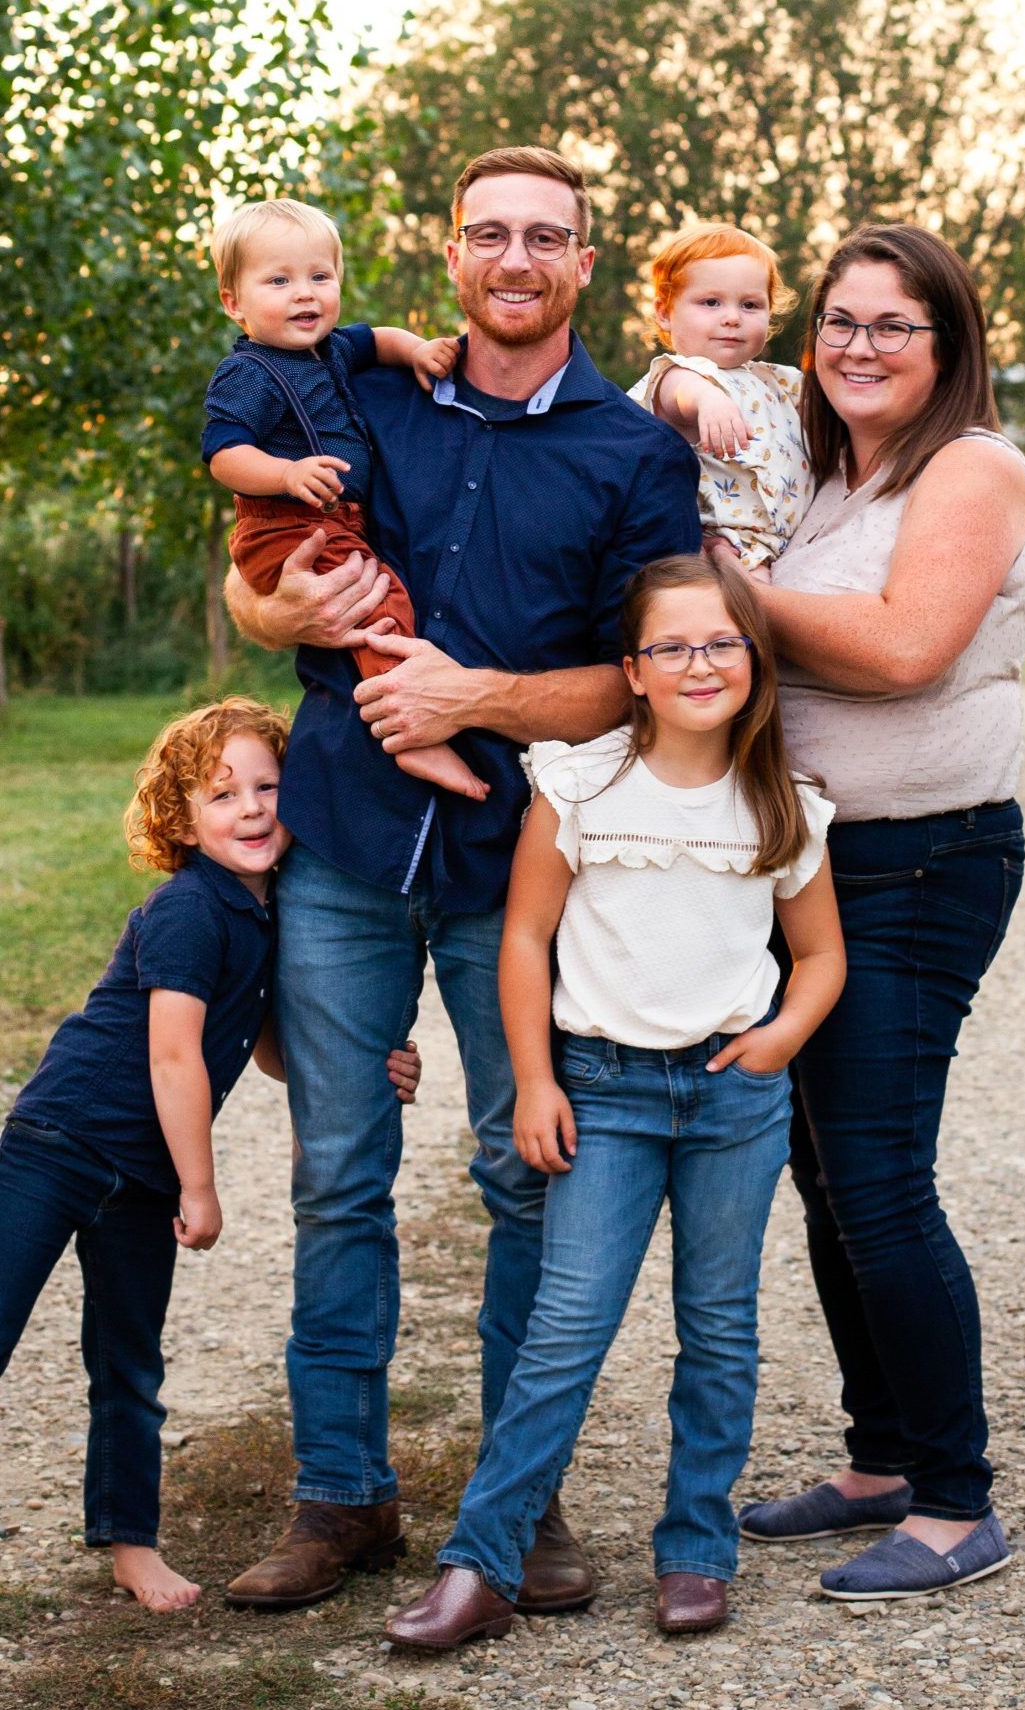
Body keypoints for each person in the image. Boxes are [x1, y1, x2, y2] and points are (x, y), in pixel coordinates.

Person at [219, 147, 702, 1615]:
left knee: (524, 1171)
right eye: (487, 232)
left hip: (520, 867)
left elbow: (648, 684)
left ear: (582, 266)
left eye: (542, 237)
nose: (513, 257)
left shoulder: (633, 450)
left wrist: (472, 698)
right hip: (347, 845)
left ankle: (518, 1495)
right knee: (333, 1173)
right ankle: (341, 1494)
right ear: (449, 256)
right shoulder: (352, 389)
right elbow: (255, 572)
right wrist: (268, 603)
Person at [0, 698, 422, 1620]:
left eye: (268, 787)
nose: (249, 809)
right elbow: (174, 1054)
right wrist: (201, 1187)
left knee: (129, 1363)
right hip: (60, 1144)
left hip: (141, 1178)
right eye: (221, 794)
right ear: (181, 819)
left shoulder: (271, 914)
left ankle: (131, 1545)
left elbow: (270, 1046)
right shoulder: (187, 911)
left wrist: (372, 1060)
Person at [384, 555, 845, 1649]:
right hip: (602, 1093)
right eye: (671, 646)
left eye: (721, 643)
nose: (699, 663)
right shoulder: (578, 783)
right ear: (631, 671)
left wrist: (778, 1036)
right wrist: (534, 1079)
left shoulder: (780, 798)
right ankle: (481, 1563)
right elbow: (524, 937)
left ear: (752, 660)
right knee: (563, 1331)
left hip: (732, 1097)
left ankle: (694, 1553)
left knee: (718, 1330)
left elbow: (820, 956)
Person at [734, 224, 1025, 1602]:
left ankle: (956, 1499)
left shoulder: (971, 467)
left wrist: (726, 590)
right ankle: (879, 1455)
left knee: (876, 1172)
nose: (858, 345)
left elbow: (911, 649)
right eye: (839, 322)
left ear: (946, 344)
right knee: (823, 1169)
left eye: (891, 325)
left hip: (918, 864)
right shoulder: (822, 485)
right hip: (810, 867)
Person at [202, 199, 483, 802]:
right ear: (234, 303)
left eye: (319, 277)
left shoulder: (330, 350)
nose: (304, 294)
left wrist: (415, 351)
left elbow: (378, 338)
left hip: (328, 517)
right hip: (284, 522)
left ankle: (406, 715)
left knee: (381, 595)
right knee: (380, 605)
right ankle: (410, 731)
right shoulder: (251, 373)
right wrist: (285, 473)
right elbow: (223, 454)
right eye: (278, 281)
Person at [628, 223, 811, 583]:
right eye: (711, 302)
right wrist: (708, 400)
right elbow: (679, 394)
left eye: (750, 305)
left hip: (789, 547)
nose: (732, 317)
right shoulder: (679, 373)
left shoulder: (774, 380)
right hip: (720, 550)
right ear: (664, 312)